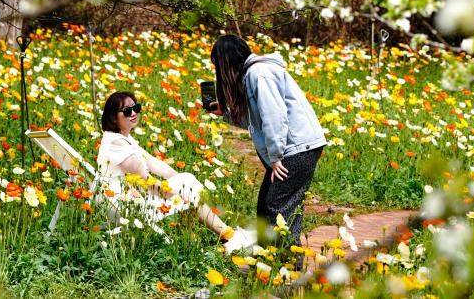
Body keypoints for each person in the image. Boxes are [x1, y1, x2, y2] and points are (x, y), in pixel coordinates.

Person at [207, 34, 326, 257]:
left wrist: (276, 156)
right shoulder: (253, 74)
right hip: (296, 147)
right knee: (267, 206)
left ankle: (287, 264)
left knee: (278, 208)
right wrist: (226, 113)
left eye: (218, 65)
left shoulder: (259, 73)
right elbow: (256, 120)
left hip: (296, 148)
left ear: (226, 62)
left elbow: (275, 117)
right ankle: (269, 260)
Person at [97, 90, 256, 253]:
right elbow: (146, 180)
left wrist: (181, 180)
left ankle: (210, 236)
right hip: (123, 204)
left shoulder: (122, 138)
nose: (133, 113)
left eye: (136, 108)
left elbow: (153, 163)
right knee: (185, 190)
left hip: (130, 195)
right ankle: (228, 236)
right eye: (127, 111)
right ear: (113, 117)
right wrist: (177, 194)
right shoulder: (116, 143)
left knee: (186, 183)